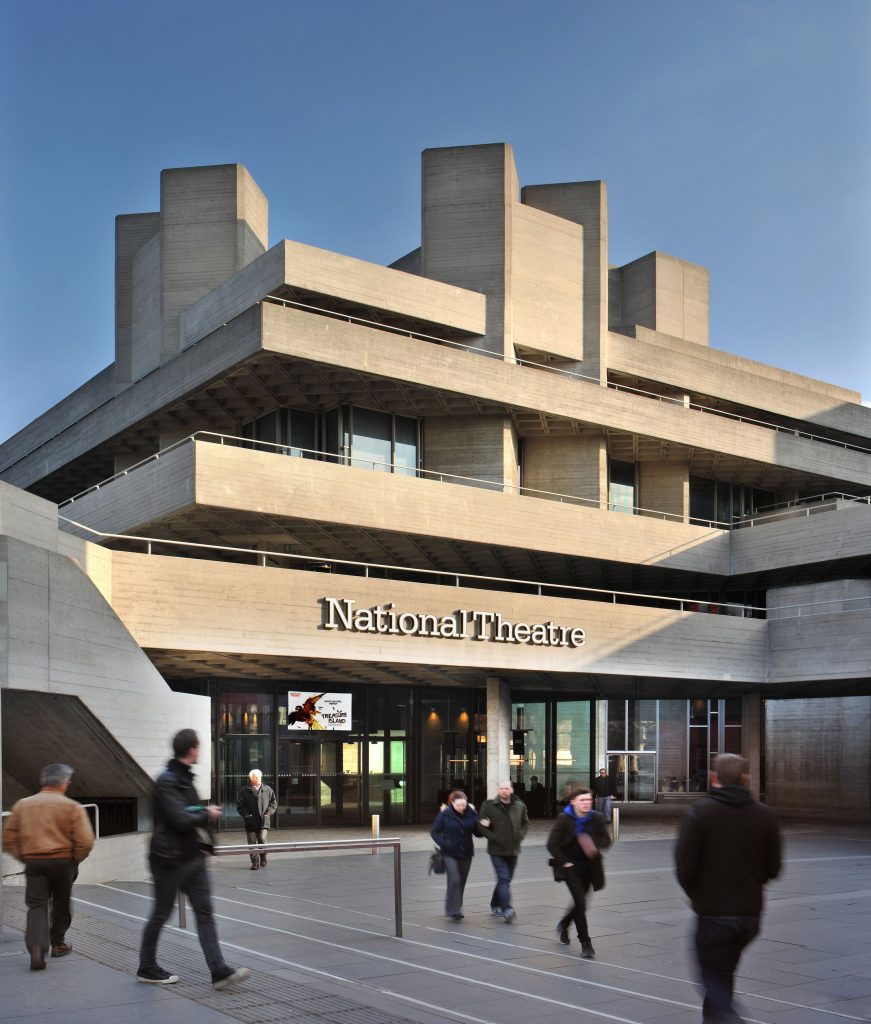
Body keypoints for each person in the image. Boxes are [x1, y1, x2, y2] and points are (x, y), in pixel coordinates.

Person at [137, 729, 251, 990]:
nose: (200, 751)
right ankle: (146, 966)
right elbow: (179, 818)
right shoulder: (167, 781)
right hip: (169, 860)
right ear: (192, 750)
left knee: (205, 913)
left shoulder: (183, 779)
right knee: (161, 913)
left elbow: (188, 811)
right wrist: (207, 813)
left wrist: (204, 838)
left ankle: (219, 971)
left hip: (192, 858)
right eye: (199, 747)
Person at [675, 753, 781, 1023]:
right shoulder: (766, 815)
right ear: (747, 778)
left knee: (711, 978)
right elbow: (773, 868)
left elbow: (684, 866)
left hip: (713, 915)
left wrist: (700, 896)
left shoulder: (700, 813)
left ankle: (732, 1018)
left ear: (714, 778)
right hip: (749, 916)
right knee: (723, 974)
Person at [2, 763, 94, 971]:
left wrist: (25, 857)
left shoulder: (22, 805)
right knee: (61, 904)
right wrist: (75, 860)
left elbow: (8, 838)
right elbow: (86, 840)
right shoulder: (72, 807)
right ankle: (58, 944)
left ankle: (36, 948)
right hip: (63, 862)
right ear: (63, 784)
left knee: (36, 906)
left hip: (34, 861)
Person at [546, 787, 610, 959]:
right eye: (582, 800)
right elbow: (551, 844)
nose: (586, 803)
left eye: (589, 800)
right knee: (580, 903)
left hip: (590, 867)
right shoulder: (564, 819)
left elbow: (606, 841)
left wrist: (592, 843)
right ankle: (585, 943)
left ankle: (564, 924)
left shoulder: (596, 818)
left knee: (580, 903)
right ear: (573, 802)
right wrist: (565, 862)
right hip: (570, 868)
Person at [475, 780, 528, 922]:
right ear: (498, 790)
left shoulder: (520, 805)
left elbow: (525, 823)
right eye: (501, 788)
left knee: (505, 880)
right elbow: (481, 826)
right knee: (504, 878)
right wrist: (493, 837)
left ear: (511, 790)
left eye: (507, 788)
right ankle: (507, 909)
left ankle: (495, 903)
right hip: (496, 850)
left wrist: (520, 835)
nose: (504, 791)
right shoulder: (489, 806)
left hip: (513, 849)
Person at [430, 790, 478, 920]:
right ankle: (452, 909)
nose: (462, 807)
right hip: (449, 852)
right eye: (458, 805)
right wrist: (444, 843)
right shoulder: (445, 814)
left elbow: (477, 831)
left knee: (461, 881)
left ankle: (456, 907)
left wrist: (485, 825)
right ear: (452, 803)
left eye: (464, 804)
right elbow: (434, 832)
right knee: (454, 879)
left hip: (466, 852)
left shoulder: (471, 813)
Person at [236, 769, 277, 870]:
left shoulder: (267, 789)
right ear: (251, 778)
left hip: (264, 820)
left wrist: (268, 813)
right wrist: (246, 815)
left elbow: (273, 803)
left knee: (262, 840)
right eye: (255, 777)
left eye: (259, 776)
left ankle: (263, 857)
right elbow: (240, 806)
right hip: (250, 821)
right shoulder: (244, 790)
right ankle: (255, 862)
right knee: (252, 842)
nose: (257, 778)